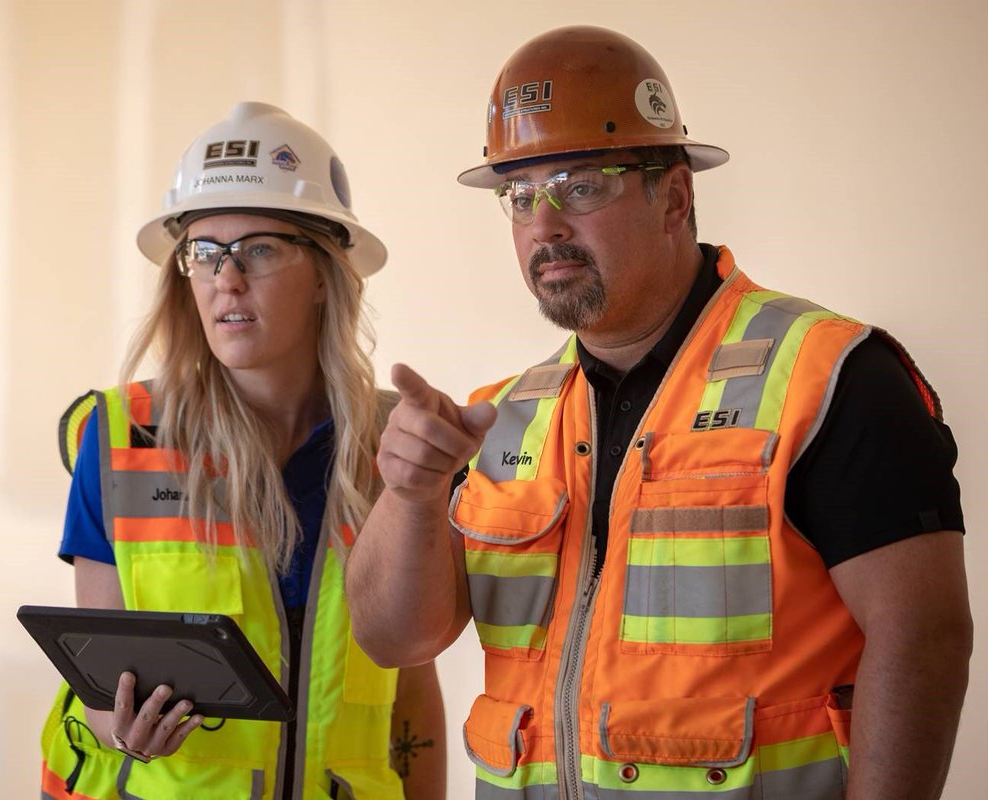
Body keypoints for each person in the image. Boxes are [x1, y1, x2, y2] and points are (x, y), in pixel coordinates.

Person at [345, 26, 971, 800]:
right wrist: (409, 495)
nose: (545, 223)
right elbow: (393, 636)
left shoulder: (830, 376)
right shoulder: (498, 419)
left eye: (581, 185)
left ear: (673, 196)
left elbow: (924, 639)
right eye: (520, 194)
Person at [39, 102, 446, 800]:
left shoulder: (394, 448)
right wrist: (122, 725)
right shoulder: (117, 439)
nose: (226, 278)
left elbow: (410, 687)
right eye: (204, 252)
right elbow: (100, 681)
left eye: (259, 248)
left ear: (324, 276)